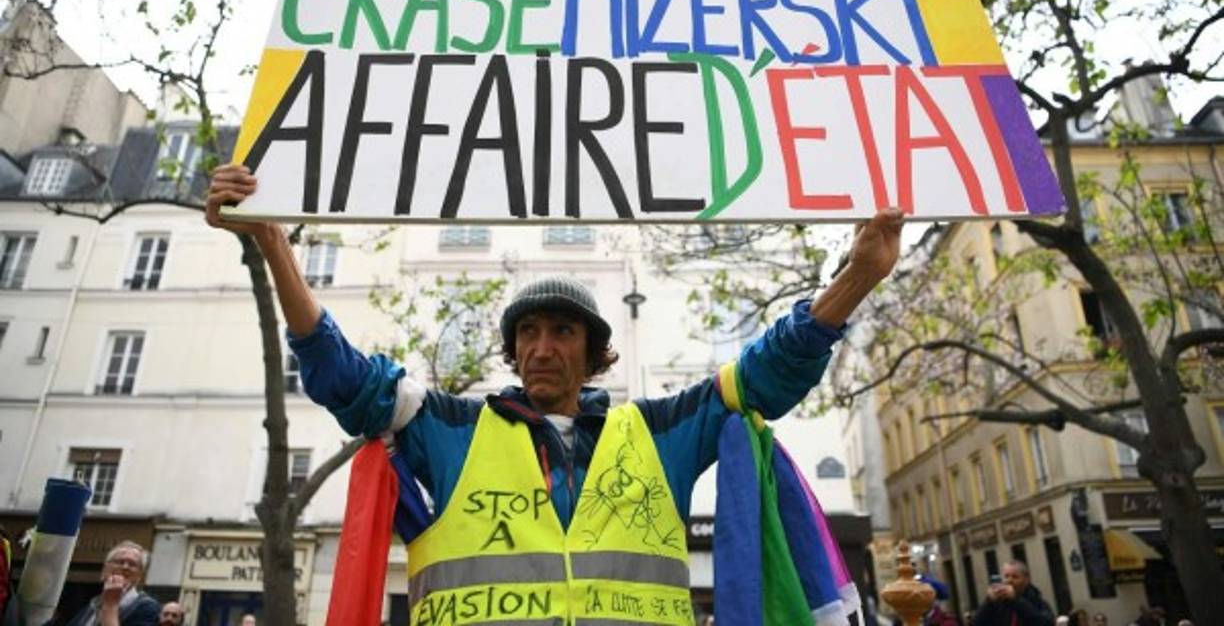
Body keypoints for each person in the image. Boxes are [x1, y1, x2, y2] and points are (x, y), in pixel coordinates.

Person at [205, 165, 904, 624]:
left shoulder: (659, 430)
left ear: (595, 352)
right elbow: (342, 377)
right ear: (511, 352)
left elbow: (764, 377)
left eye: (563, 331)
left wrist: (859, 279)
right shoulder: (450, 427)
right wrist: (274, 243)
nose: (541, 347)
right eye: (527, 333)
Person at [65, 541, 160, 626]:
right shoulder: (93, 604)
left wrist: (110, 606)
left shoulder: (147, 608)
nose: (125, 567)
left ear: (139, 575)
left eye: (132, 564)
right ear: (105, 570)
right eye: (119, 562)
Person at [972, 561, 1054, 626]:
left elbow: (1044, 622)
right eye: (1006, 576)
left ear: (1026, 579)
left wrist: (1015, 600)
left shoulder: (1036, 601)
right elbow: (976, 623)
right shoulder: (998, 603)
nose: (1010, 580)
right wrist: (989, 601)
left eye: (1015, 577)